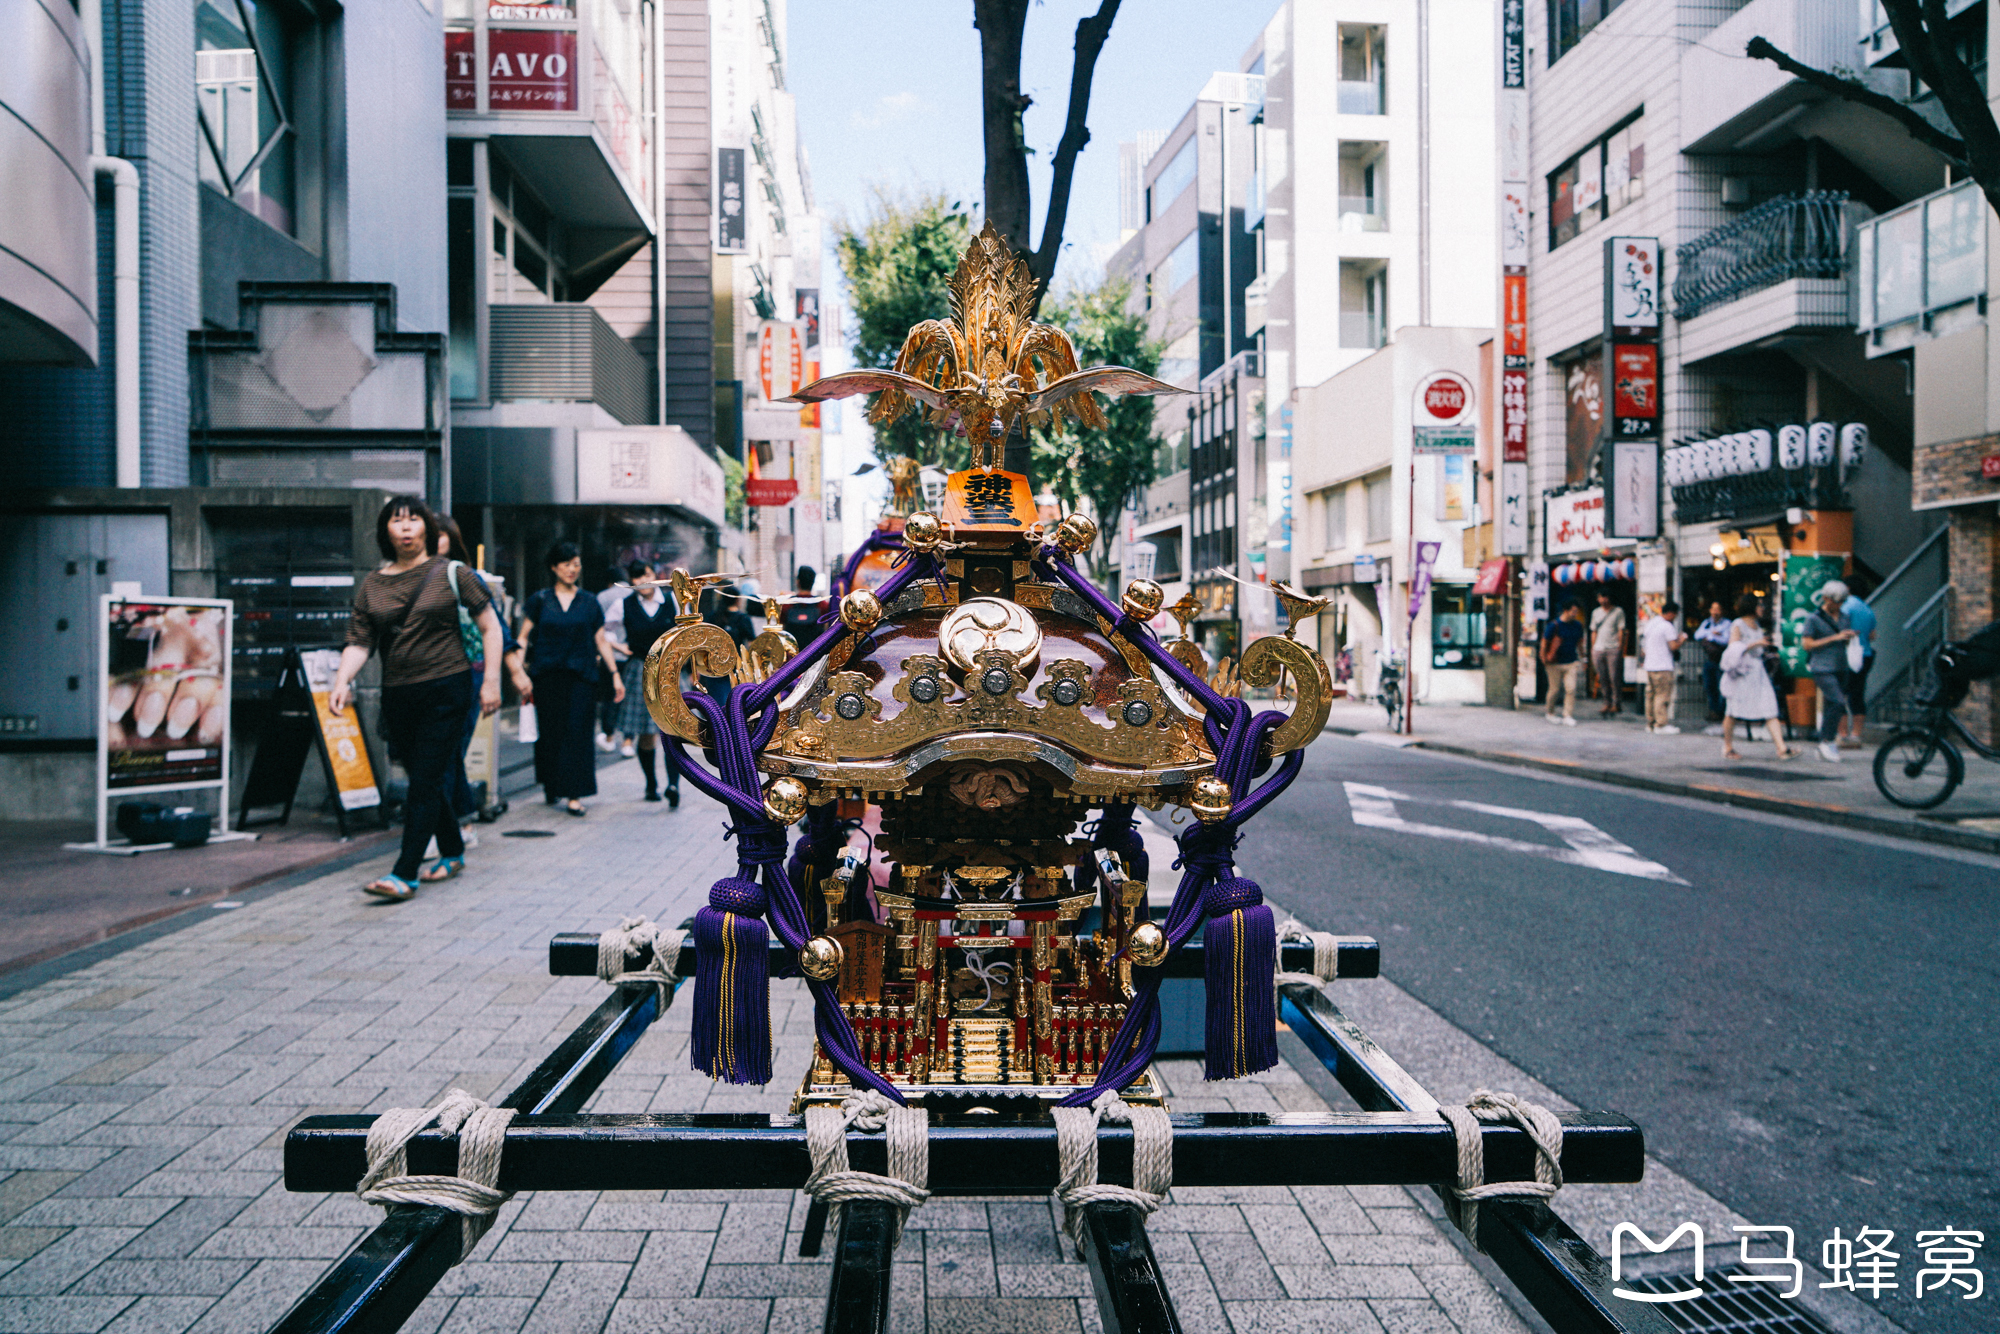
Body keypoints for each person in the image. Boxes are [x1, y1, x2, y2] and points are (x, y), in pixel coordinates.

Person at [327, 497, 504, 901]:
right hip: (398, 694)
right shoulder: (373, 583)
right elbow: (360, 640)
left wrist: (491, 682)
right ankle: (454, 850)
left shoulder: (454, 573)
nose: (405, 528)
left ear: (426, 528)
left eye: (413, 520)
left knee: (424, 780)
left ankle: (405, 872)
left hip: (448, 687)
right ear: (385, 531)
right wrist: (341, 681)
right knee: (426, 775)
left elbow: (491, 628)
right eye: (396, 521)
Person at [434, 515, 530, 830]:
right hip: (424, 677)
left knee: (450, 750)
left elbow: (496, 627)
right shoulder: (408, 578)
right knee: (439, 755)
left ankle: (450, 825)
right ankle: (460, 819)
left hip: (467, 676)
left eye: (438, 533)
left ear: (451, 537)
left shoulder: (464, 577)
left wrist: (513, 671)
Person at [519, 541, 624, 815]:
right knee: (551, 734)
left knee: (577, 733)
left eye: (575, 564)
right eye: (566, 564)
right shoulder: (540, 600)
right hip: (546, 677)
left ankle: (575, 794)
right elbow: (522, 637)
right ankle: (551, 784)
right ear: (554, 567)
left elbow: (601, 640)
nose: (571, 569)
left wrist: (614, 675)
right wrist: (518, 674)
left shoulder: (589, 602)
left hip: (582, 678)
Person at [609, 564, 681, 805]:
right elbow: (604, 631)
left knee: (672, 729)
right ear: (632, 581)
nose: (644, 581)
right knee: (646, 733)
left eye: (647, 575)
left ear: (655, 576)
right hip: (639, 668)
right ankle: (651, 783)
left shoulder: (674, 601)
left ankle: (673, 785)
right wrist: (619, 647)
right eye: (637, 577)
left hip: (669, 669)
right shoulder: (624, 605)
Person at [1720, 595, 1796, 761]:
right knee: (1732, 711)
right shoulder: (1738, 624)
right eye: (1759, 605)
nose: (1762, 608)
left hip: (1758, 672)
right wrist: (1756, 643)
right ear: (1751, 606)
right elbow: (1733, 647)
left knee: (1769, 707)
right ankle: (1727, 747)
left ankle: (1782, 748)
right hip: (1743, 672)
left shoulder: (1757, 625)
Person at [1800, 580, 1859, 764]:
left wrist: (1850, 637)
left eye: (1842, 601)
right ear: (1826, 599)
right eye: (1837, 601)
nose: (1839, 605)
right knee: (1837, 701)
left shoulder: (1845, 616)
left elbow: (1843, 639)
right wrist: (1834, 637)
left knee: (1833, 704)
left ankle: (1823, 745)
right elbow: (1807, 644)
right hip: (1822, 667)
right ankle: (1827, 741)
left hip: (1841, 665)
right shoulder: (1813, 618)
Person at [596, 566, 636, 752]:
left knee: (609, 697)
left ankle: (609, 736)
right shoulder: (636, 595)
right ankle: (628, 741)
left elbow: (598, 629)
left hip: (609, 656)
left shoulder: (602, 597)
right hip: (631, 655)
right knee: (631, 699)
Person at [1838, 586, 1876, 747]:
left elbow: (1841, 630)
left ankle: (1843, 735)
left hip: (1847, 656)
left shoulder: (1846, 607)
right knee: (1858, 694)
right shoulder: (1868, 610)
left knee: (1839, 694)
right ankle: (1856, 735)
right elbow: (1872, 636)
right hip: (1865, 656)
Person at [1641, 601, 1686, 734]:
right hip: (1663, 665)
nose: (1675, 617)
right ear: (1671, 613)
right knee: (1662, 695)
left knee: (1650, 695)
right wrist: (1682, 640)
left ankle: (1650, 723)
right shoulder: (1667, 626)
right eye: (1676, 615)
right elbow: (1673, 646)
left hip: (1650, 665)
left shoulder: (1652, 623)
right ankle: (1660, 724)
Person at [1540, 602, 1586, 726]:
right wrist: (1543, 657)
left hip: (1571, 661)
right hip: (1554, 663)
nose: (1575, 614)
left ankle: (1567, 715)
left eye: (1576, 611)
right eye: (1573, 611)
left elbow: (1580, 643)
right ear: (1565, 610)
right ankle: (1550, 712)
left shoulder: (1577, 626)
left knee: (1571, 688)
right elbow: (1544, 642)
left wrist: (1583, 658)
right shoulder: (1554, 625)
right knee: (1554, 689)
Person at [1693, 601, 1732, 721]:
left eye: (1718, 609)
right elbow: (1697, 635)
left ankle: (1722, 713)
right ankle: (1713, 711)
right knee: (1710, 686)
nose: (1715, 612)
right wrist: (1713, 634)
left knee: (1722, 687)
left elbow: (1726, 640)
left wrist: (1710, 637)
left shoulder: (1727, 624)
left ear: (1722, 611)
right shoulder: (1707, 623)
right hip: (1710, 659)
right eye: (1713, 609)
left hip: (1722, 659)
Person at [1590, 589, 1627, 716]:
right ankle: (1606, 702)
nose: (1603, 600)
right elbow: (1593, 630)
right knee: (1603, 677)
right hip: (1599, 648)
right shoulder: (1596, 612)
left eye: (1605, 597)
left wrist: (1619, 646)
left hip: (1613, 648)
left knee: (1614, 677)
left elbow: (1621, 629)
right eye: (1600, 597)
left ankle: (1616, 703)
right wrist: (1593, 647)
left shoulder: (1618, 611)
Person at [778, 565, 827, 643]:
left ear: (798, 581)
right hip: (815, 652)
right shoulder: (823, 605)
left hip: (793, 652)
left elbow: (781, 629)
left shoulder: (786, 604)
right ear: (813, 582)